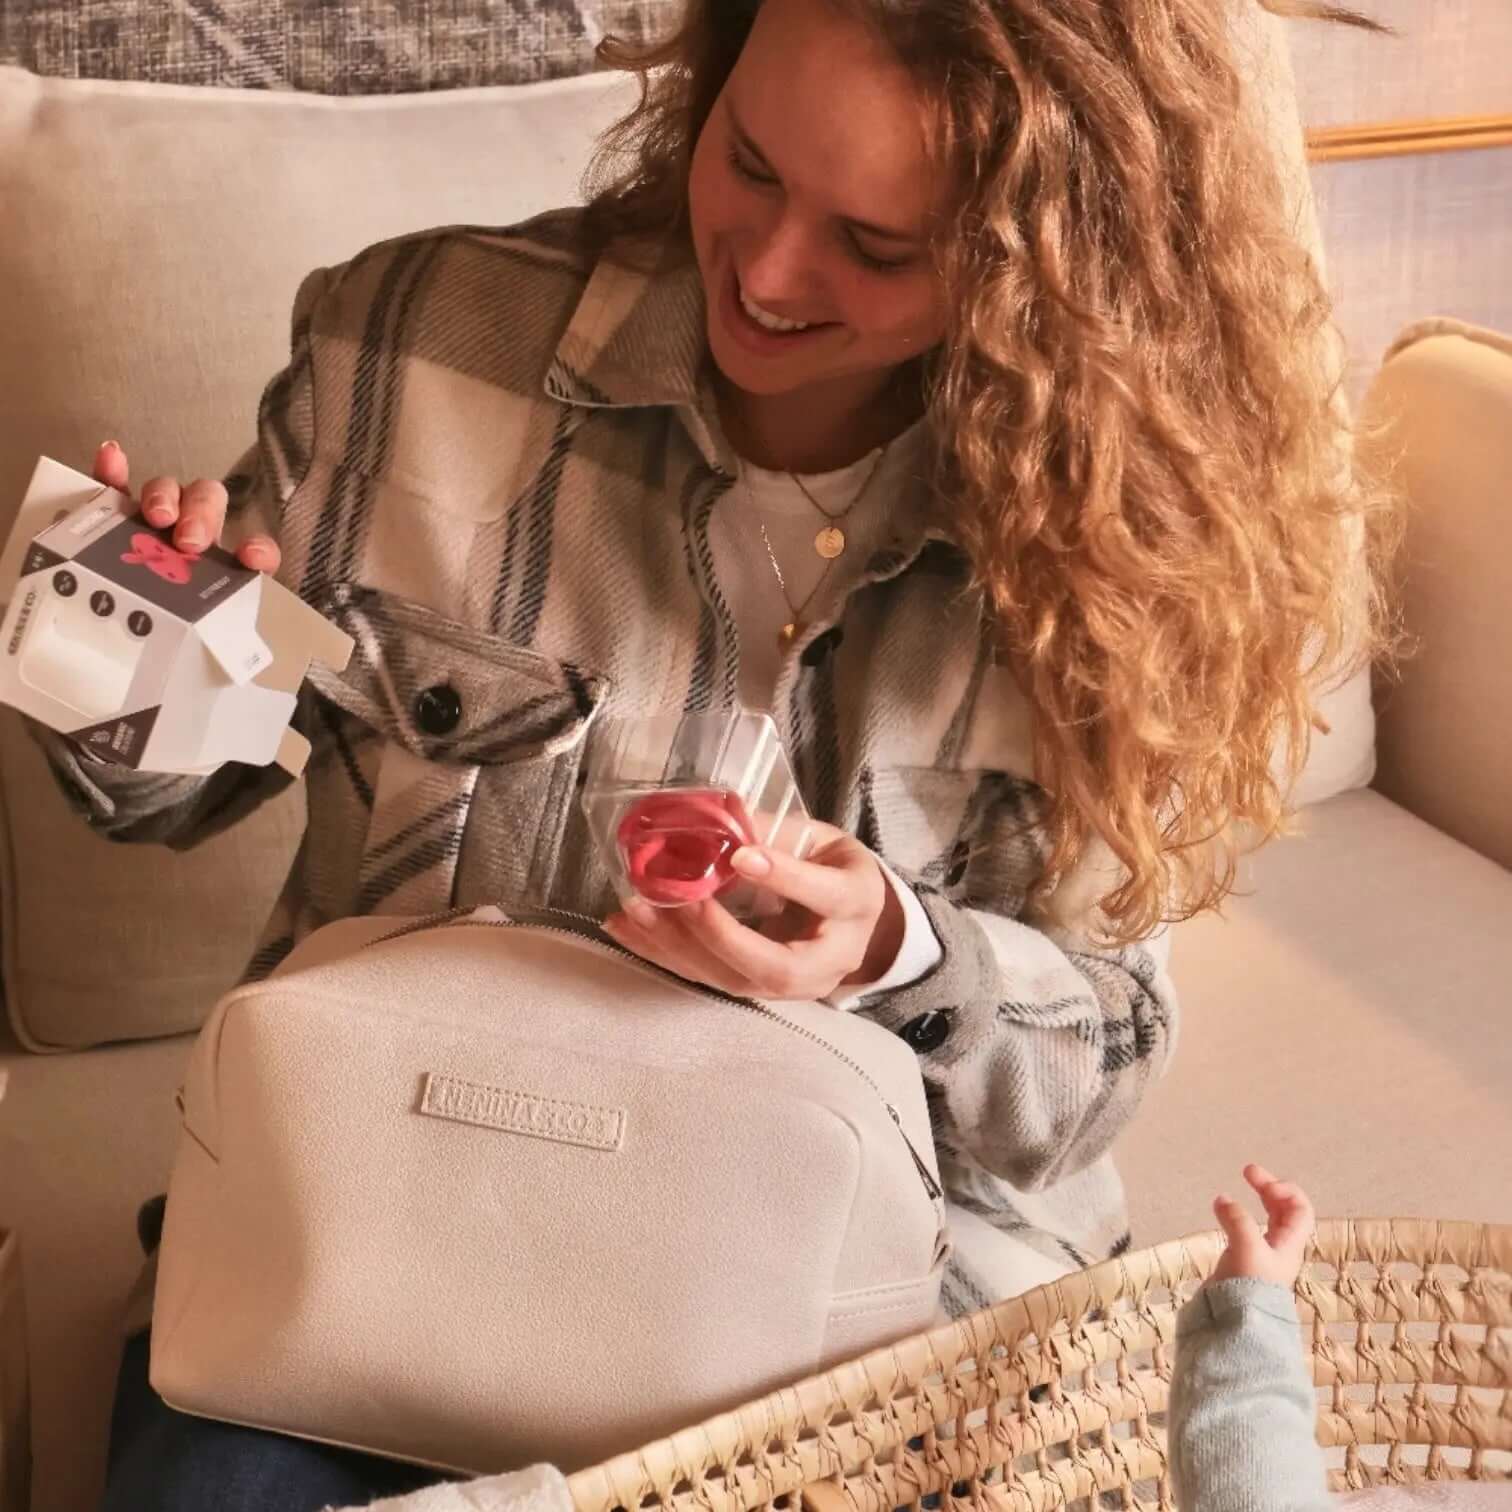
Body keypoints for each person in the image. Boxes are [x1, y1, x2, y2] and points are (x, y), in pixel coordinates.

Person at [34, 0, 1394, 1505]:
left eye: (876, 246)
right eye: (749, 163)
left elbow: (1096, 1068)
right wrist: (121, 630)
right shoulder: (414, 345)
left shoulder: (1123, 534)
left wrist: (900, 954)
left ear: (1040, 261)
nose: (767, 272)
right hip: (369, 1235)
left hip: (865, 1311)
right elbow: (172, 791)